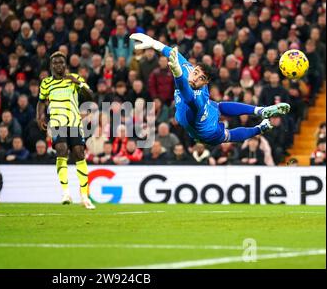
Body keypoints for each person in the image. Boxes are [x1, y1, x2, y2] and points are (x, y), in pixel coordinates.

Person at [129, 33, 291, 146]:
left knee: (222, 115)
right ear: (193, 68)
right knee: (222, 118)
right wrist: (155, 44)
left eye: (201, 78)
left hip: (207, 122)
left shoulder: (196, 95)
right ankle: (260, 120)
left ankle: (260, 120)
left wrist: (177, 72)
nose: (196, 77)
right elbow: (175, 58)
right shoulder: (188, 73)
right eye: (196, 72)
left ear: (205, 83)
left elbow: (184, 87)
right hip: (202, 124)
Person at [36, 51, 95, 209]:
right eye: (55, 63)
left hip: (75, 123)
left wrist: (78, 82)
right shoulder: (46, 83)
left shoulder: (75, 79)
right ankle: (66, 193)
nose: (59, 65)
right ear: (51, 65)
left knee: (79, 154)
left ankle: (84, 196)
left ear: (66, 64)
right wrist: (39, 116)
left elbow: (91, 96)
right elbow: (41, 101)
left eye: (61, 62)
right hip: (57, 123)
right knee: (61, 151)